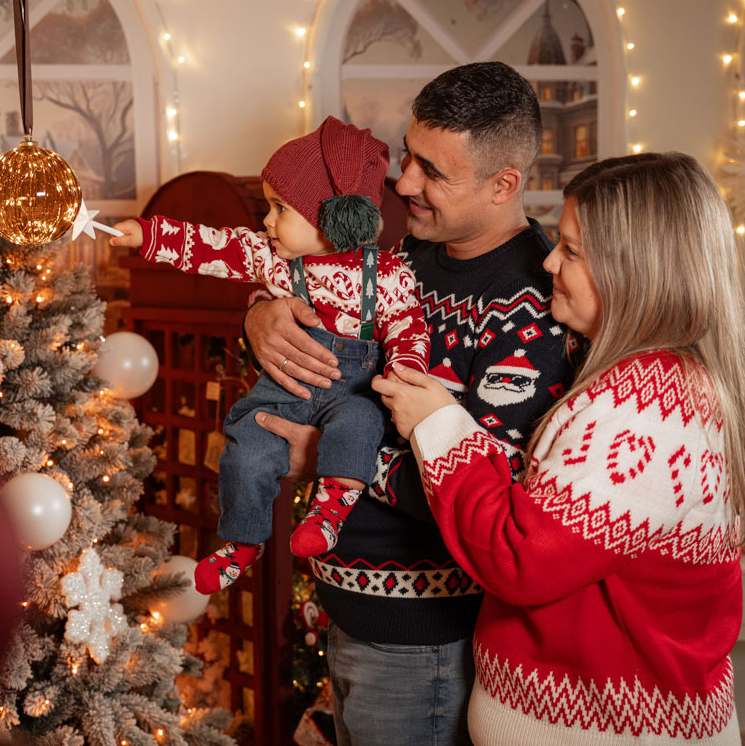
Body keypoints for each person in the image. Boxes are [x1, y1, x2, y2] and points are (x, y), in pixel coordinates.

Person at [374, 152, 745, 744]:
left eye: (573, 251)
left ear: (637, 272)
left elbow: (522, 558)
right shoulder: (648, 385)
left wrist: (438, 426)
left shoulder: (642, 410)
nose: (550, 260)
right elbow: (557, 515)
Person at [245, 62, 573, 745]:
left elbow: (493, 492)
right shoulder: (406, 257)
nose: (404, 183)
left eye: (433, 171)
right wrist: (262, 315)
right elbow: (312, 301)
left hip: (421, 639)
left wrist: (332, 458)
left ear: (503, 184)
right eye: (408, 156)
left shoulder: (532, 307)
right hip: (350, 608)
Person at [109, 116, 430, 594]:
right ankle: (242, 543)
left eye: (280, 208)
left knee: (359, 425)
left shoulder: (387, 274)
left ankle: (328, 512)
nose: (266, 220)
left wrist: (404, 371)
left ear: (333, 215)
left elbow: (408, 325)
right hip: (281, 393)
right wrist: (147, 234)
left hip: (352, 392)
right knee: (246, 450)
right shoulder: (271, 258)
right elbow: (209, 247)